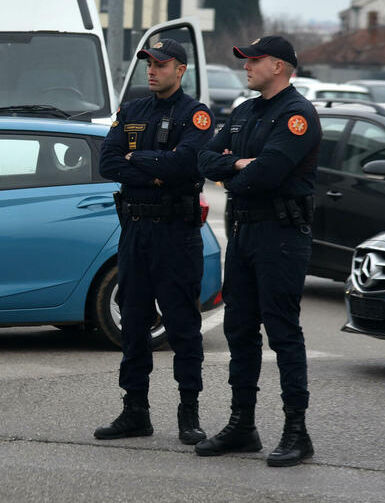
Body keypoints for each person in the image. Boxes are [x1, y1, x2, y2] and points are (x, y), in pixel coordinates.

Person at [195, 35, 321, 467]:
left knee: (283, 333)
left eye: (255, 59)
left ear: (280, 67)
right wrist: (235, 165)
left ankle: (296, 431)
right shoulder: (244, 111)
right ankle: (242, 425)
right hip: (245, 233)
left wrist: (235, 169)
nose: (246, 66)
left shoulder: (298, 114)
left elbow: (265, 176)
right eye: (245, 60)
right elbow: (204, 162)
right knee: (240, 329)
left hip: (281, 235)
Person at [94, 38, 214, 444]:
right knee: (133, 322)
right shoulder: (132, 110)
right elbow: (107, 162)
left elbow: (185, 164)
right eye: (148, 62)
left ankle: (189, 413)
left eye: (160, 64)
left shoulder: (194, 114)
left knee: (182, 325)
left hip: (175, 234)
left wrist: (136, 162)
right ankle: (135, 411)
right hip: (134, 232)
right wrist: (154, 169)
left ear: (180, 70)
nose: (151, 69)